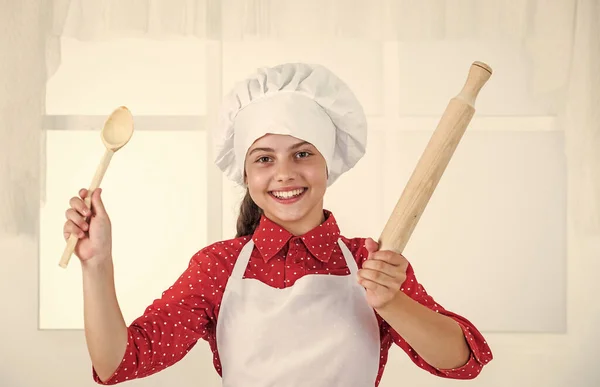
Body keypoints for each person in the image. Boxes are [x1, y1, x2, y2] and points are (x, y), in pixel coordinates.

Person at [63, 63, 493, 387]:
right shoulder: (218, 265)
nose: (284, 173)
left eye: (303, 154)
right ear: (246, 175)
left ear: (329, 165)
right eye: (264, 158)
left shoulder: (371, 260)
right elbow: (118, 361)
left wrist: (390, 302)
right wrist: (96, 265)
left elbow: (463, 359)